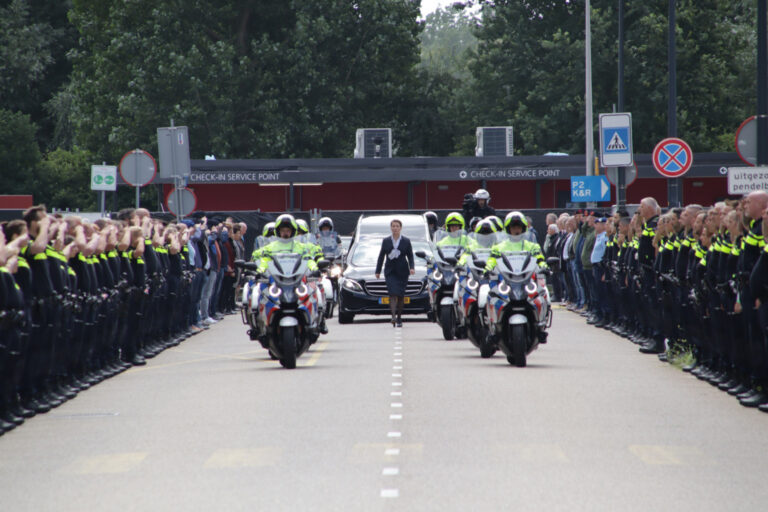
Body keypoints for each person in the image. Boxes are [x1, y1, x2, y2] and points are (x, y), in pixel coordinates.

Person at [375, 219, 415, 327]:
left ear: (400, 228)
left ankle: (399, 317)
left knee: (401, 295)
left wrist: (412, 267)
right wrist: (377, 271)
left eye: (397, 226)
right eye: (393, 226)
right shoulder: (386, 241)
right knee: (392, 293)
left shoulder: (406, 241)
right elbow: (381, 256)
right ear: (391, 228)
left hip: (402, 271)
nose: (395, 228)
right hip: (390, 271)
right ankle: (393, 316)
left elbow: (410, 255)